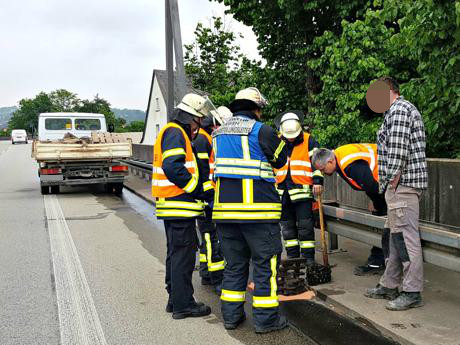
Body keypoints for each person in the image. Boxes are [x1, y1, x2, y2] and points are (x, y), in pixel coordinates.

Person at [212, 87, 289, 333]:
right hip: (258, 214)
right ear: (256, 109)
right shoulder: (261, 131)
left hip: (225, 214)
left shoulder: (217, 134)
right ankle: (267, 321)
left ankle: (231, 318)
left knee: (234, 266)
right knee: (265, 267)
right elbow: (281, 160)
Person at [364, 77, 428, 310]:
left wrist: (392, 179)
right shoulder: (394, 111)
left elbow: (398, 149)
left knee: (405, 239)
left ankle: (412, 292)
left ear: (389, 91)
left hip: (402, 185)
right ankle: (389, 284)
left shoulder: (400, 109)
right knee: (394, 236)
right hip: (398, 186)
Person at [152, 93, 212, 319]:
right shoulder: (176, 133)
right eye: (198, 121)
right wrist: (198, 189)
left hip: (173, 206)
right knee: (183, 257)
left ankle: (175, 299)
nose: (199, 126)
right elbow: (173, 167)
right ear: (191, 118)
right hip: (178, 205)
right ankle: (183, 305)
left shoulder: (172, 132)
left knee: (176, 255)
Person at [311, 144, 390, 275]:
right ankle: (379, 259)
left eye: (323, 169)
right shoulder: (339, 155)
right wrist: (374, 200)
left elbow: (370, 185)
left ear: (330, 161)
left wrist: (376, 202)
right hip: (386, 183)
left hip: (392, 185)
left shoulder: (350, 165)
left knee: (387, 225)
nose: (324, 173)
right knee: (382, 224)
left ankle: (382, 262)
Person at [274, 111, 323, 264]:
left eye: (293, 135)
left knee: (305, 227)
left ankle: (308, 258)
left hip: (302, 191)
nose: (291, 138)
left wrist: (317, 181)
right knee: (287, 228)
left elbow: (317, 162)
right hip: (282, 191)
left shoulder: (309, 140)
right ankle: (293, 258)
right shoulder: (276, 140)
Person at [193, 107, 232, 294]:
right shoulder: (203, 139)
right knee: (211, 239)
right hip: (206, 198)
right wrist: (209, 197)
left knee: (207, 239)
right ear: (215, 123)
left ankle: (206, 274)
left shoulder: (205, 137)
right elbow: (202, 173)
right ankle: (217, 279)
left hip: (206, 197)